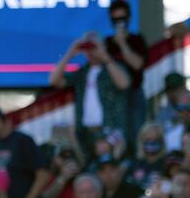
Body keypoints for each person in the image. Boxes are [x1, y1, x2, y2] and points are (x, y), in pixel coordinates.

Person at [49, 30, 130, 160]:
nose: (91, 52)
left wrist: (104, 56)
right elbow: (54, 80)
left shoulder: (112, 67)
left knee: (109, 168)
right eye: (88, 48)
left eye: (93, 47)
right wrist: (71, 53)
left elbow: (124, 83)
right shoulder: (83, 73)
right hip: (85, 132)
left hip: (109, 131)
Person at [104, 0, 148, 149]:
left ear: (129, 18)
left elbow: (138, 64)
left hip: (134, 95)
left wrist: (122, 43)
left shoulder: (137, 40)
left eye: (122, 18)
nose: (119, 23)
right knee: (116, 138)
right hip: (113, 99)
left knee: (137, 135)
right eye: (115, 19)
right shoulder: (107, 42)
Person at [156, 73, 189, 152]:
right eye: (173, 90)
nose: (176, 92)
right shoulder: (163, 113)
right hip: (173, 153)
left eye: (180, 88)